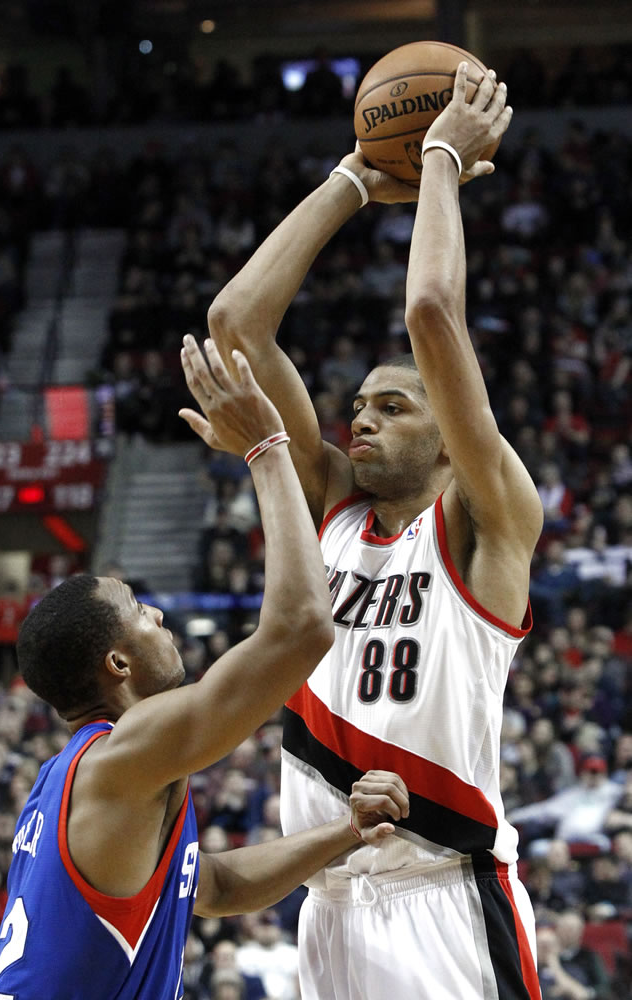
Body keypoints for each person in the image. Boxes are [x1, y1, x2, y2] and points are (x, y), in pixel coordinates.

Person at [209, 64, 544, 999]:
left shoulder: (485, 519)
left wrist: (439, 158)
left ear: (449, 438)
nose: (359, 419)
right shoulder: (333, 509)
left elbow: (431, 313)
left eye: (392, 407)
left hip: (443, 893)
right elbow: (235, 323)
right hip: (324, 902)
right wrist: (353, 177)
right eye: (355, 405)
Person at [0, 336, 409, 999]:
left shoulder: (84, 777)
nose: (154, 612)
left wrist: (347, 832)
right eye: (135, 609)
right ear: (117, 663)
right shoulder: (123, 756)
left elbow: (212, 887)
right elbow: (299, 629)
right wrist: (266, 450)